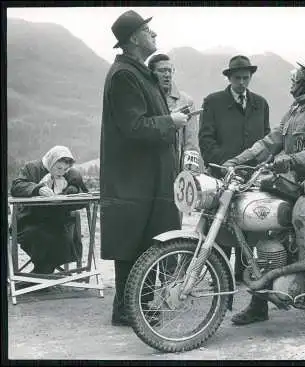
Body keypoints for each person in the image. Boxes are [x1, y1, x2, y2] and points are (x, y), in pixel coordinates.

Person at [223, 56, 305, 325]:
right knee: (265, 222)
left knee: (303, 213)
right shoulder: (294, 111)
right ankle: (260, 305)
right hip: (298, 183)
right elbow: (270, 141)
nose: (294, 77)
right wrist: (238, 160)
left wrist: (290, 160)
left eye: (299, 74)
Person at [100, 10, 189, 327]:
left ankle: (136, 306)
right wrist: (172, 121)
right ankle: (127, 309)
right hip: (135, 181)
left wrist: (170, 119)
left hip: (148, 178)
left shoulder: (137, 72)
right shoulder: (125, 75)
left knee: (148, 241)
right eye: (149, 32)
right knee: (133, 243)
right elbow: (134, 127)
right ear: (135, 38)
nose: (155, 36)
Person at [198, 55, 271, 282]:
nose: (242, 82)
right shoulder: (213, 102)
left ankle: (243, 273)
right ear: (229, 78)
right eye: (237, 78)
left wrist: (259, 167)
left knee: (249, 222)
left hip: (251, 178)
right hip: (222, 176)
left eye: (246, 78)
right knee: (220, 227)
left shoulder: (261, 103)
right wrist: (226, 165)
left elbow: (267, 138)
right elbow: (206, 141)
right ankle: (219, 275)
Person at [10, 145, 87, 275]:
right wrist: (37, 189)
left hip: (57, 222)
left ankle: (42, 275)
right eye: (58, 168)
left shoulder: (70, 174)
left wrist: (70, 191)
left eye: (65, 169)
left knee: (64, 239)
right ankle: (43, 273)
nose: (61, 172)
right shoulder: (32, 168)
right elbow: (16, 187)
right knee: (39, 237)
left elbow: (83, 195)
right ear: (51, 160)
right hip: (30, 220)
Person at [148, 53, 202, 172]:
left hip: (176, 167)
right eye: (162, 71)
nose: (167, 75)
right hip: (151, 167)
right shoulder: (146, 99)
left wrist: (190, 171)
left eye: (169, 70)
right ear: (151, 73)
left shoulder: (186, 101)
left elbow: (191, 142)